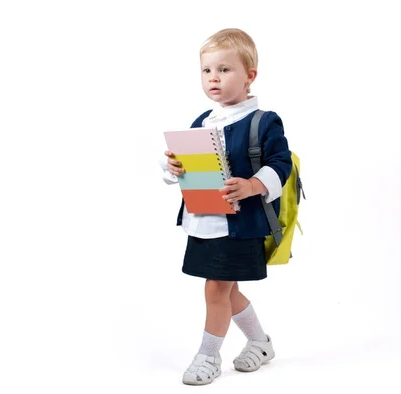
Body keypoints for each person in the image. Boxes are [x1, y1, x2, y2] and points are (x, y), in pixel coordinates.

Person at [159, 28, 293, 385]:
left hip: (238, 225)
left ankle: (208, 356)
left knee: (216, 289)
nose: (213, 78)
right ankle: (260, 343)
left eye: (224, 69)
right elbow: (186, 164)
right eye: (207, 71)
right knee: (228, 290)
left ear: (250, 76)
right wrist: (172, 167)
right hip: (203, 222)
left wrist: (252, 185)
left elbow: (282, 164)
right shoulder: (203, 120)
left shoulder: (264, 121)